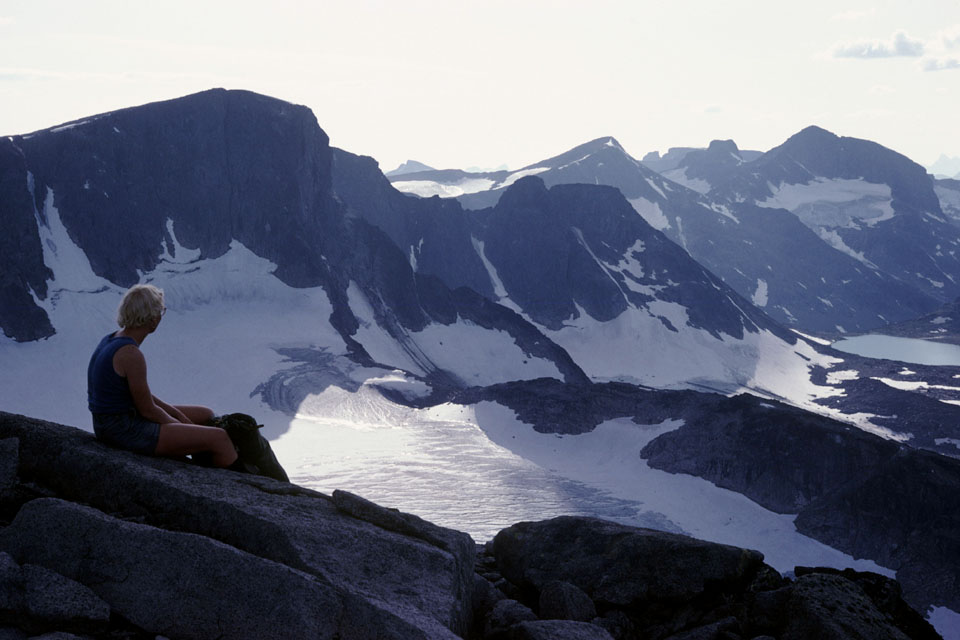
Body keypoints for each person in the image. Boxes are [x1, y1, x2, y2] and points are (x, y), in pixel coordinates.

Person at [87, 284, 238, 468]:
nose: (160, 317)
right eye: (161, 312)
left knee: (205, 414)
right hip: (123, 429)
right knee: (220, 438)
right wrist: (182, 426)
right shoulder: (130, 354)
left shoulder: (111, 339)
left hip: (114, 421)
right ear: (151, 319)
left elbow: (142, 397)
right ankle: (230, 487)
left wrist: (180, 418)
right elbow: (148, 410)